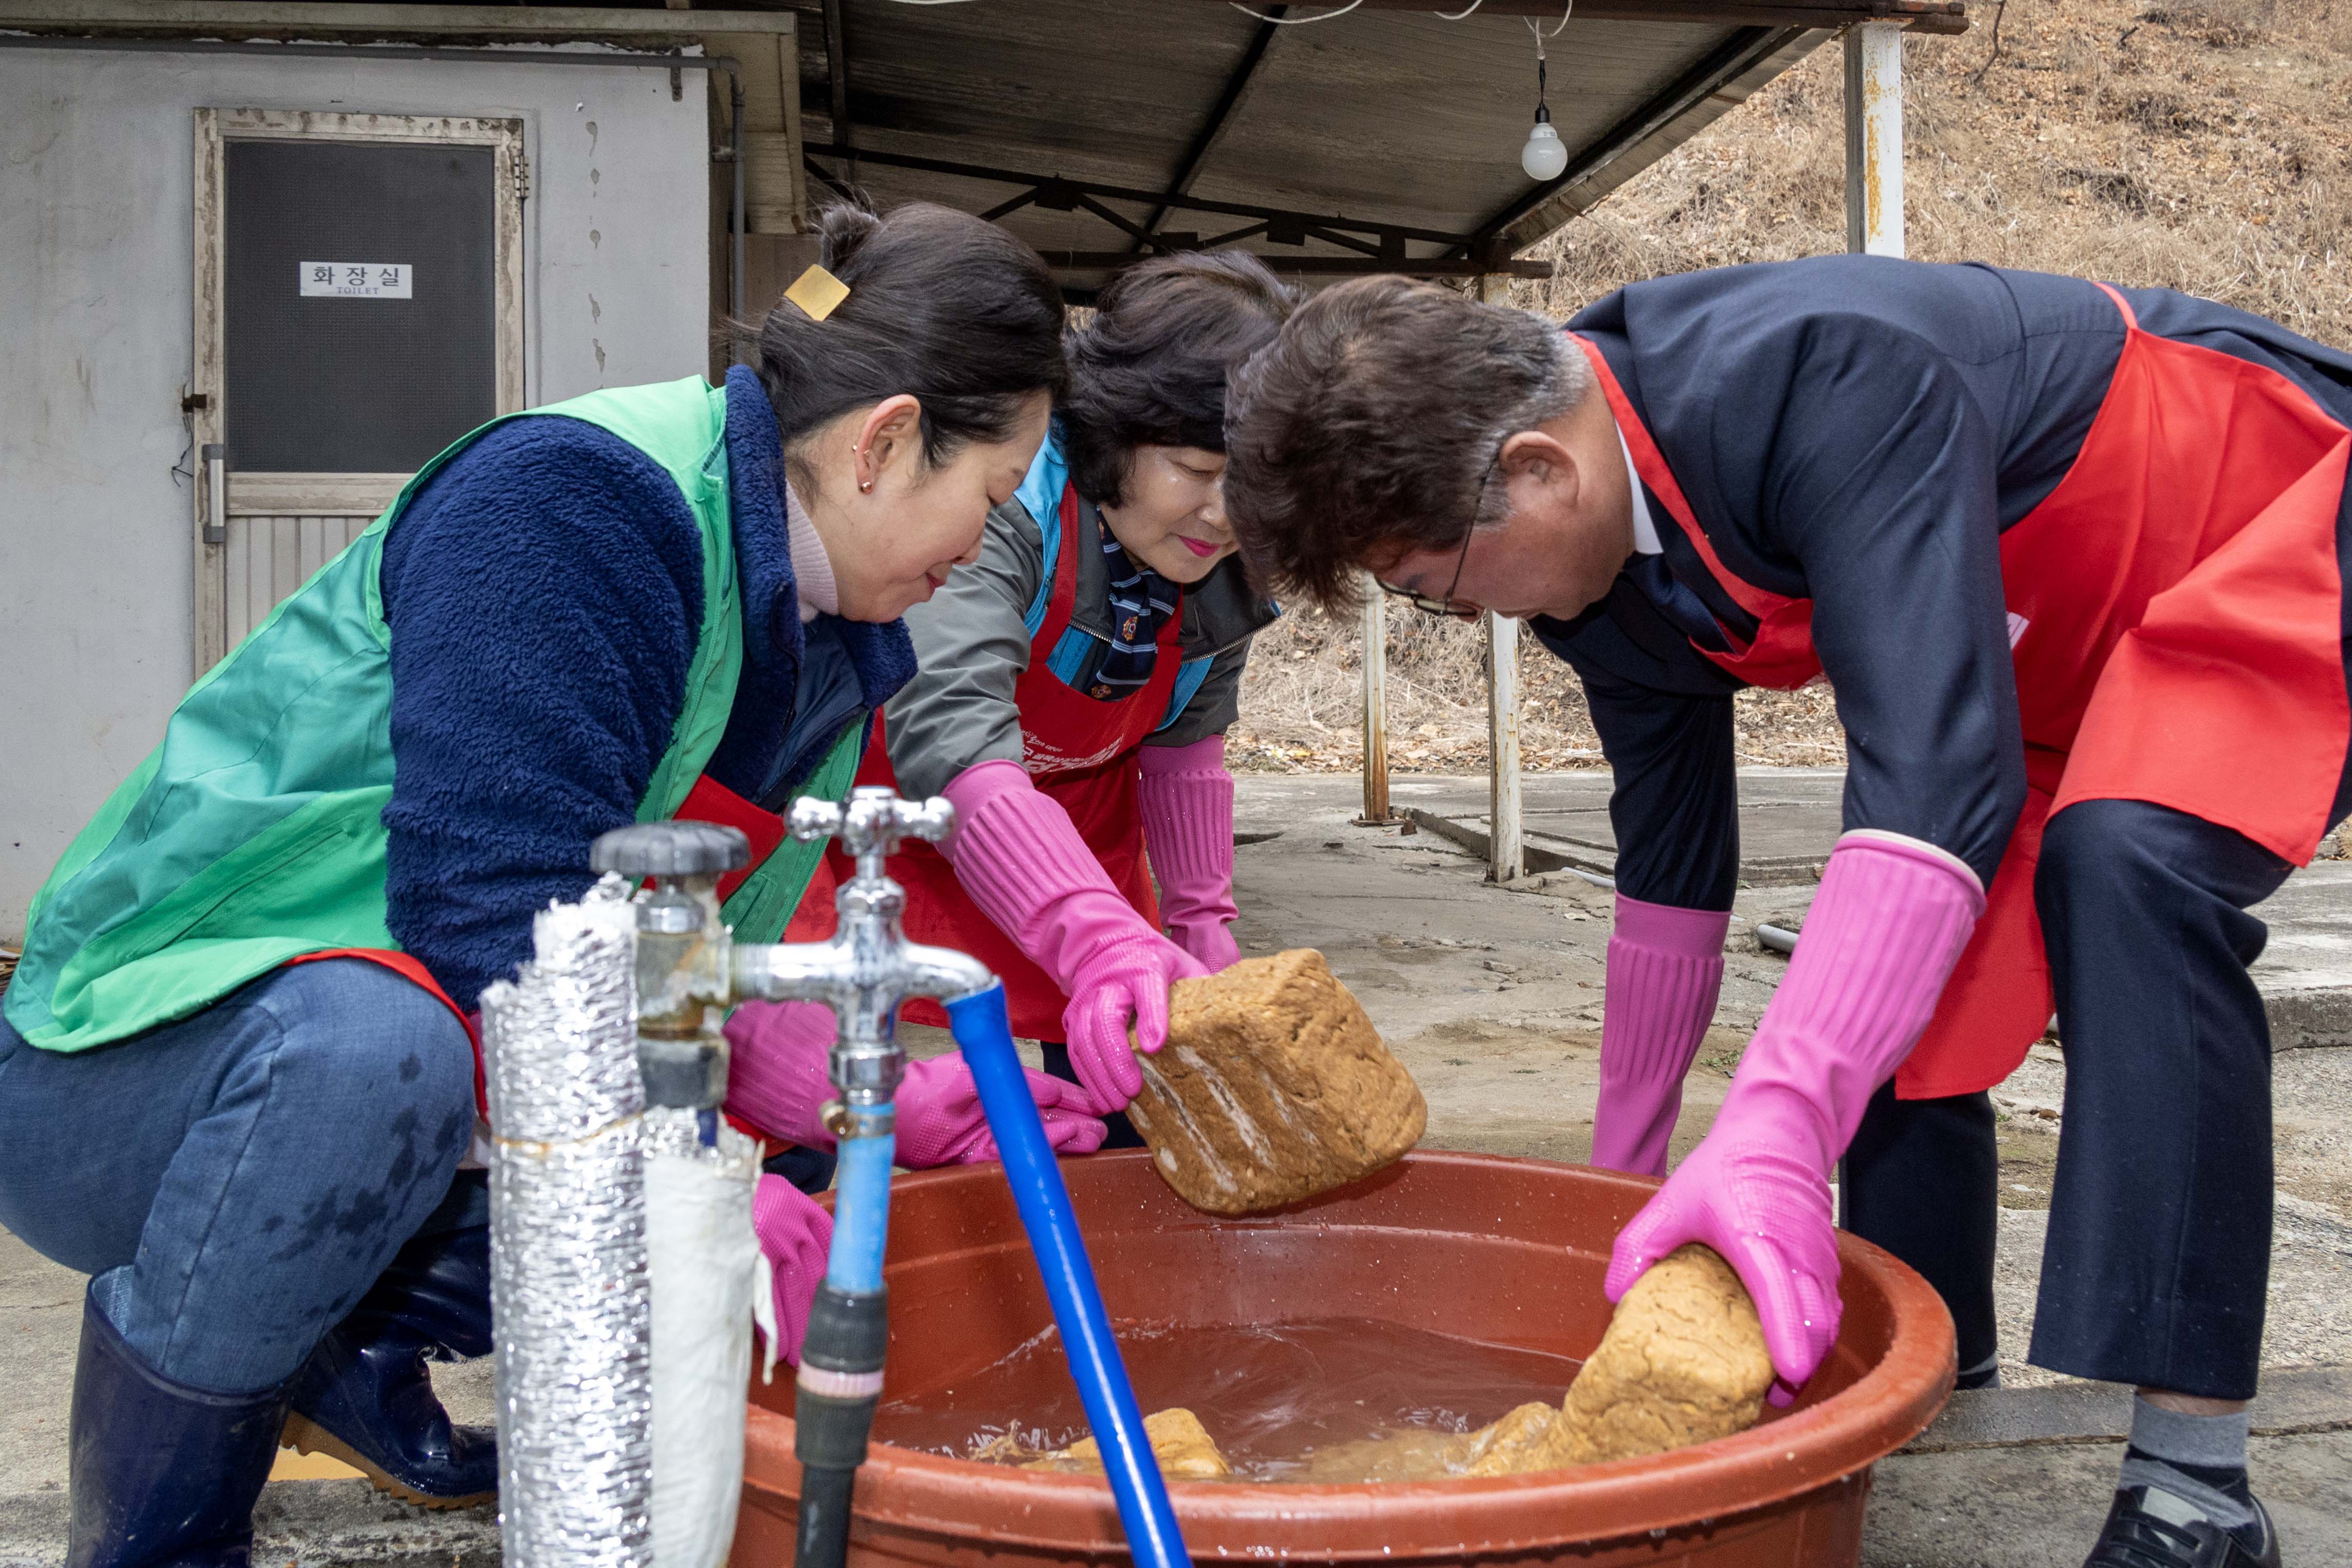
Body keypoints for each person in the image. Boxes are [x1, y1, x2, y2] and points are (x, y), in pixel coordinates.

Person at [0, 200, 1088, 1567]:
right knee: (384, 1064)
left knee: (785, 1179)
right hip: (123, 1066)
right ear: (885, 442)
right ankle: (159, 1536)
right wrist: (674, 1168)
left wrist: (853, 1096)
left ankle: (328, 1349)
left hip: (393, 1069)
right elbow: (493, 920)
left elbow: (666, 960)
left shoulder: (823, 638)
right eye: (990, 501)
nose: (981, 549)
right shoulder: (573, 503)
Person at [1222, 258, 2352, 1568]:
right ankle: (1929, 1393)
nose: (1460, 613)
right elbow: (1671, 873)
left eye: (1436, 583)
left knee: (2122, 865)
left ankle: (2195, 1494)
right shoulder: (1596, 577)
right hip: (2041, 675)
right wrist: (1621, 1186)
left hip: (2271, 516)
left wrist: (1773, 1117)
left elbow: (1931, 774)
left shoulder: (1821, 370)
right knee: (1878, 994)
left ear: (1537, 470)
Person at [724, 252, 1293, 1150]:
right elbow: (950, 730)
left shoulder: (1224, 567)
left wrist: (1203, 928)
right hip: (913, 812)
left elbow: (1185, 747)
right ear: (1113, 433)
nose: (1226, 514)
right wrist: (1088, 933)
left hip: (1077, 839)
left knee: (1122, 1108)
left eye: (1255, 485)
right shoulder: (1001, 504)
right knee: (816, 1096)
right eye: (1194, 467)